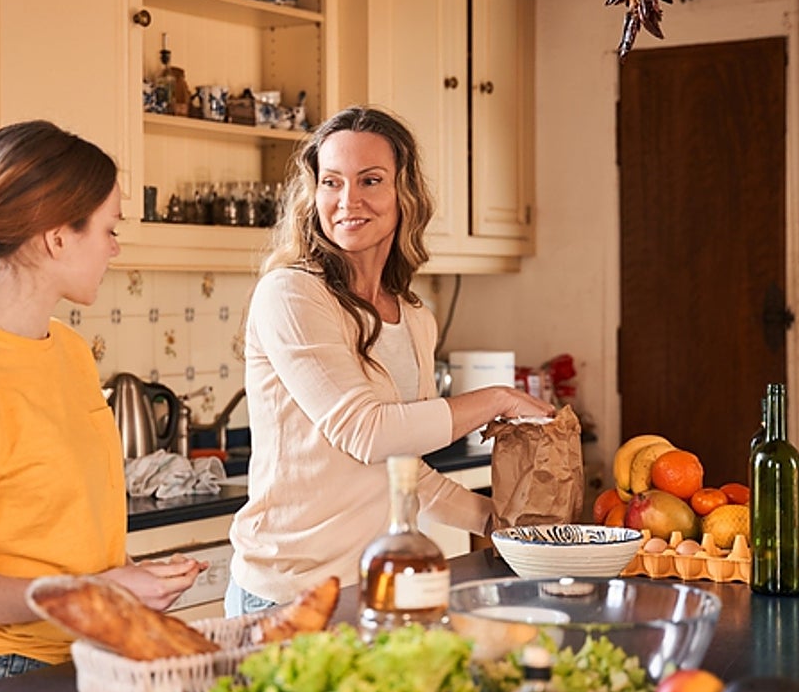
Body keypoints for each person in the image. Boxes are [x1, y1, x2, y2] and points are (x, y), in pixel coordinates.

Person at [0, 120, 204, 692]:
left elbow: (60, 534)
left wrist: (127, 584)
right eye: (108, 229)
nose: (114, 247)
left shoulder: (71, 351)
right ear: (58, 237)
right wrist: (92, 593)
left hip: (82, 663)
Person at [226, 106, 554, 617]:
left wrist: (498, 523)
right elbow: (366, 432)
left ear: (405, 194)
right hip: (288, 593)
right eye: (331, 182)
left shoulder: (415, 317)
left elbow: (402, 471)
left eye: (370, 180)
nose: (347, 200)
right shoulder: (291, 294)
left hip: (373, 587)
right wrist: (497, 399)